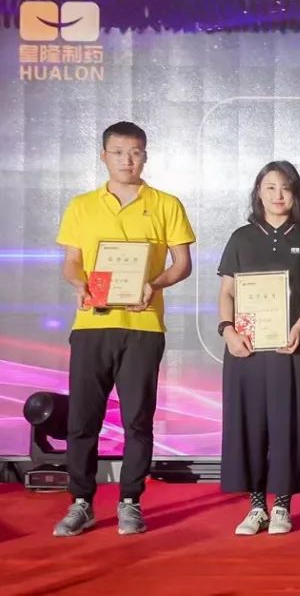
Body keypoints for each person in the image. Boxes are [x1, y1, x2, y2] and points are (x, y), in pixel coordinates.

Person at [53, 121, 196, 537]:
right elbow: (71, 262)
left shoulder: (166, 204)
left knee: (137, 420)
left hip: (143, 325)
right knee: (83, 419)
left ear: (145, 156)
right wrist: (79, 284)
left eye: (134, 152)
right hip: (92, 323)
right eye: (118, 152)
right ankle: (81, 502)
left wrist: (154, 284)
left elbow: (182, 264)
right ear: (104, 156)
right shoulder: (82, 205)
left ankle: (131, 501)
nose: (127, 160)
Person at [217, 161, 300, 535]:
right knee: (250, 425)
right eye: (270, 187)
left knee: (287, 424)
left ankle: (282, 505)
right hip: (246, 349)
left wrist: (298, 326)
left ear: (295, 194)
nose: (278, 195)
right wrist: (228, 331)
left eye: (285, 187)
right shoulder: (241, 237)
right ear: (258, 193)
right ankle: (256, 506)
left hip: (290, 347)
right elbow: (227, 292)